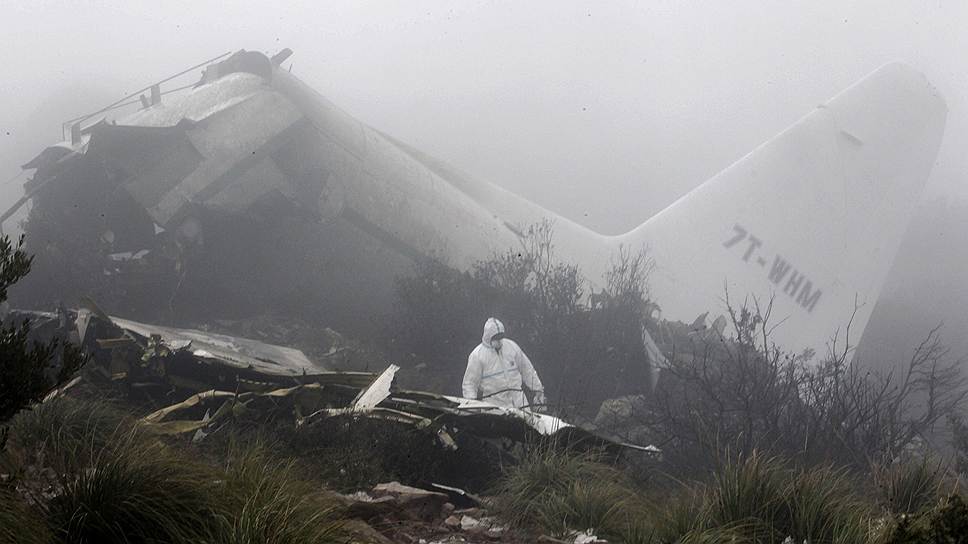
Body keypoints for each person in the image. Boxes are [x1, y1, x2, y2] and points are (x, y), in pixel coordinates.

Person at [462, 317, 546, 411]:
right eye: (496, 338)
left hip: (520, 404)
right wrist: (472, 406)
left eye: (501, 337)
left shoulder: (512, 347)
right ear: (488, 337)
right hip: (494, 408)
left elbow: (527, 370)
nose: (499, 341)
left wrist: (538, 389)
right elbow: (469, 384)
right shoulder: (477, 355)